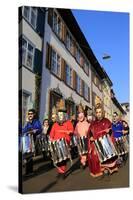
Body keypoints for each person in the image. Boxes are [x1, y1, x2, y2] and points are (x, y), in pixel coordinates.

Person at [88, 104, 118, 178]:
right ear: (95, 113)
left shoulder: (107, 121)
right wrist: (91, 137)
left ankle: (106, 168)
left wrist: (109, 131)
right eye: (97, 112)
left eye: (100, 112)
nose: (98, 114)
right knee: (94, 155)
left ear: (102, 112)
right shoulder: (93, 123)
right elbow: (89, 133)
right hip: (96, 143)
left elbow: (111, 130)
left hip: (105, 142)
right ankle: (99, 170)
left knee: (107, 155)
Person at [49, 99, 74, 179]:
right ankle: (60, 171)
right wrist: (51, 139)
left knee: (63, 159)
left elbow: (72, 131)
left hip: (65, 143)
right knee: (58, 159)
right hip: (56, 144)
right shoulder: (55, 124)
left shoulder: (68, 123)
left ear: (64, 115)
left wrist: (69, 132)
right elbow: (51, 134)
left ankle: (62, 172)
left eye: (62, 114)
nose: (60, 116)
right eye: (59, 114)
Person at [22, 109, 42, 176]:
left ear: (34, 114)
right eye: (29, 114)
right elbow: (24, 130)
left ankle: (30, 172)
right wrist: (27, 124)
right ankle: (28, 171)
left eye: (31, 113)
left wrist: (32, 129)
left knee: (30, 156)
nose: (30, 115)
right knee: (27, 156)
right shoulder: (27, 122)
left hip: (32, 140)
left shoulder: (36, 121)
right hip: (26, 140)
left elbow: (39, 129)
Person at [74, 104, 90, 169]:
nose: (80, 116)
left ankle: (84, 161)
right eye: (79, 114)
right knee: (80, 151)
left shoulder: (87, 123)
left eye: (82, 114)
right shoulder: (77, 124)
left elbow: (89, 130)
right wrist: (76, 135)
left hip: (85, 138)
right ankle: (83, 161)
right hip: (79, 139)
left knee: (85, 151)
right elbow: (75, 131)